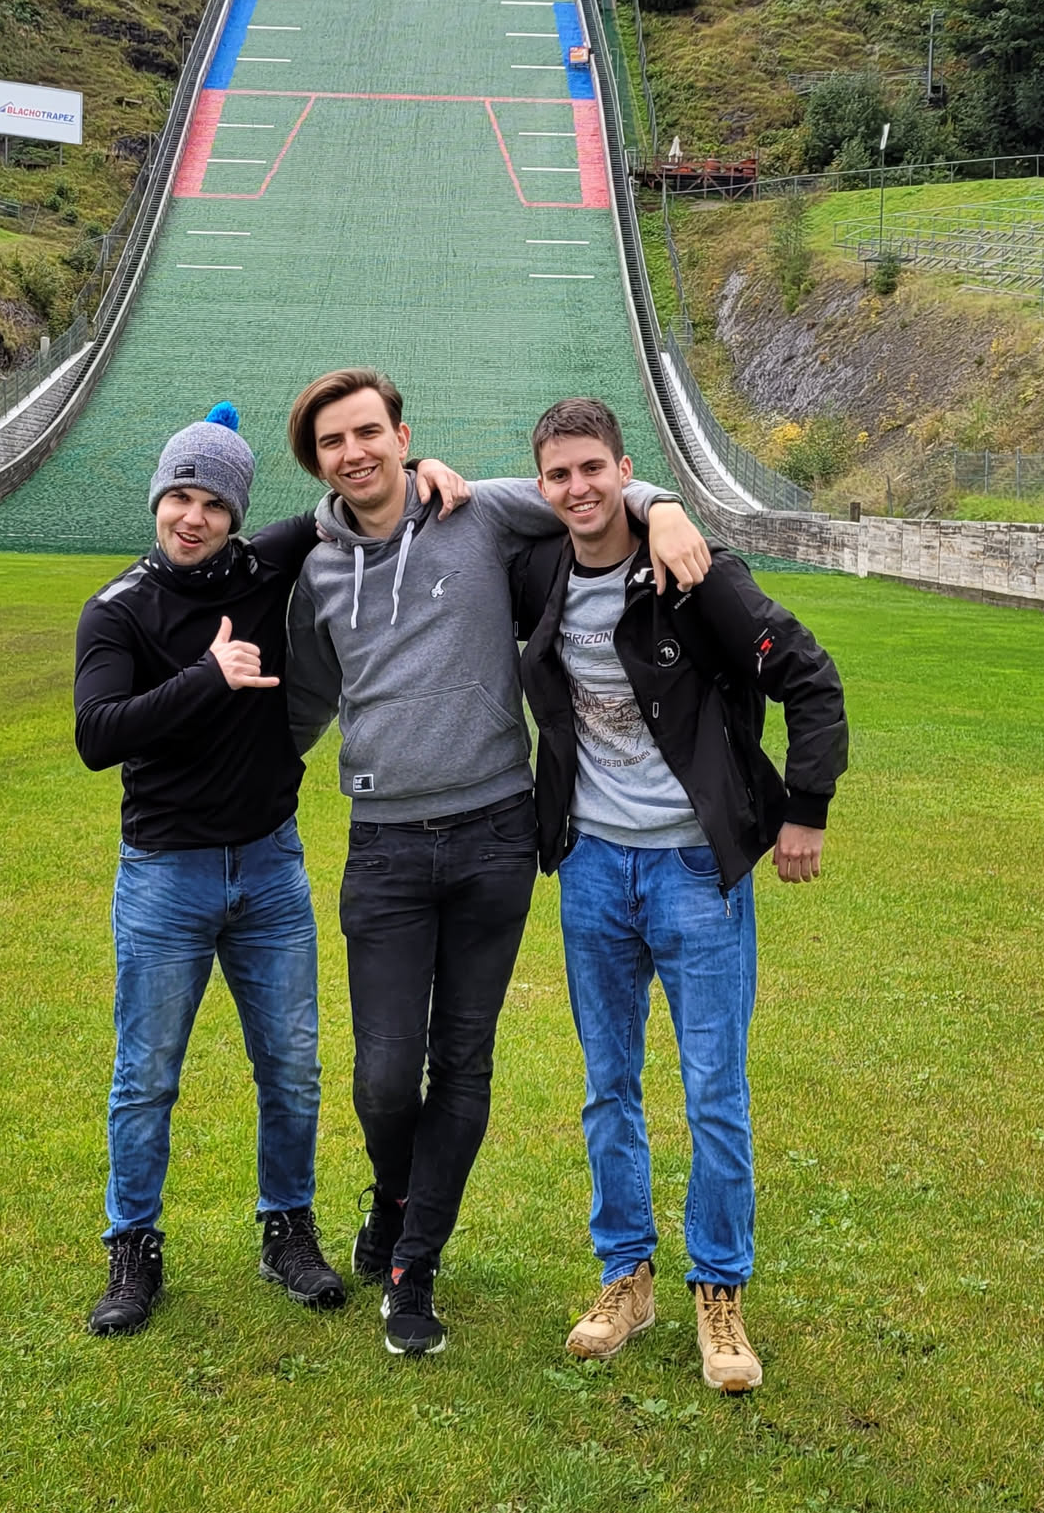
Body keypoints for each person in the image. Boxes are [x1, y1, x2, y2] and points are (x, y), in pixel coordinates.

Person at [283, 368, 711, 1359]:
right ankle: (395, 1197)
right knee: (385, 1075)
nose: (354, 452)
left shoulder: (474, 510)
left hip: (493, 835)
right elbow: (302, 704)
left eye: (368, 431)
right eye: (332, 442)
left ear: (402, 435)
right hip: (385, 845)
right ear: (318, 462)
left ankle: (413, 1267)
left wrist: (666, 506)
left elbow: (586, 491)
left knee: (463, 1061)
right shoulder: (317, 571)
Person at [72, 402, 464, 1337]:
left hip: (270, 867)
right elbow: (96, 734)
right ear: (158, 499)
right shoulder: (117, 610)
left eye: (214, 502)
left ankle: (287, 1228)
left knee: (290, 1067)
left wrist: (430, 475)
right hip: (165, 872)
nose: (194, 516)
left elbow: (355, 497)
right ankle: (133, 1245)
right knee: (146, 1075)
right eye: (180, 496)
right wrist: (207, 676)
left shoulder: (266, 563)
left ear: (236, 513)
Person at [512, 397, 848, 1393]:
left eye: (595, 468)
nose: (578, 487)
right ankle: (627, 1276)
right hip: (592, 867)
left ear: (626, 469)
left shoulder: (697, 576)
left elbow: (810, 676)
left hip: (695, 869)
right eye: (559, 473)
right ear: (542, 485)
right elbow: (460, 507)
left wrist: (806, 809)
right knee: (608, 1084)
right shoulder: (536, 569)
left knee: (714, 1091)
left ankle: (719, 1290)